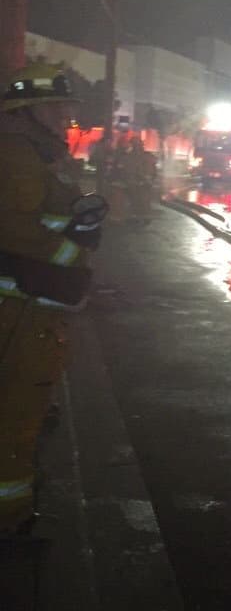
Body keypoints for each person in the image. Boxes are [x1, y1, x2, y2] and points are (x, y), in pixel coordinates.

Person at [0, 63, 104, 539]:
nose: (69, 115)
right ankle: (11, 518)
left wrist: (82, 214)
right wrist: (73, 252)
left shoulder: (39, 154)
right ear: (35, 108)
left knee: (23, 408)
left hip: (32, 299)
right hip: (20, 303)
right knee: (16, 412)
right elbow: (16, 228)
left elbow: (52, 209)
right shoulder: (17, 156)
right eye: (61, 105)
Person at [120, 136, 158, 224]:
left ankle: (141, 217)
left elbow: (153, 170)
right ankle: (139, 217)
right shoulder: (129, 157)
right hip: (135, 183)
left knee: (141, 200)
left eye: (138, 144)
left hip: (140, 183)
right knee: (137, 200)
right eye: (135, 144)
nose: (137, 147)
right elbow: (124, 170)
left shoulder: (146, 156)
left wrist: (149, 179)